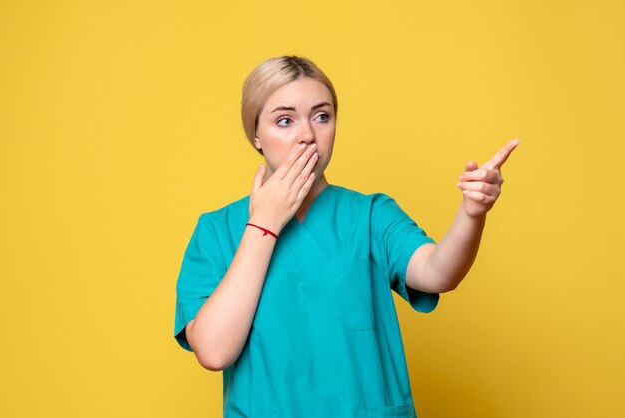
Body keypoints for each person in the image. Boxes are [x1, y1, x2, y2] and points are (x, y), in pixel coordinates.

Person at [173, 56, 519, 417]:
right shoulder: (216, 231)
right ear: (256, 134)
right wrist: (265, 224)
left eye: (322, 116)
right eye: (285, 120)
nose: (307, 134)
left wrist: (472, 213)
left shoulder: (370, 215)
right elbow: (213, 351)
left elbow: (436, 271)